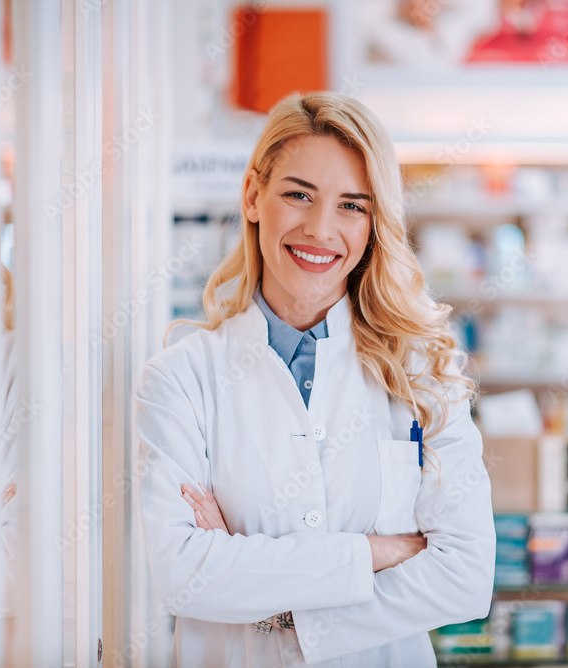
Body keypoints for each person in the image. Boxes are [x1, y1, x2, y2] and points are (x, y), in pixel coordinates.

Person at [135, 91, 495, 667]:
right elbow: (184, 576)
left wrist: (276, 612)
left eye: (352, 206)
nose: (321, 229)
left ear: (376, 223)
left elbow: (466, 577)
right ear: (254, 195)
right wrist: (383, 551)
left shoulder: (423, 372)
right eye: (299, 195)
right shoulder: (181, 379)